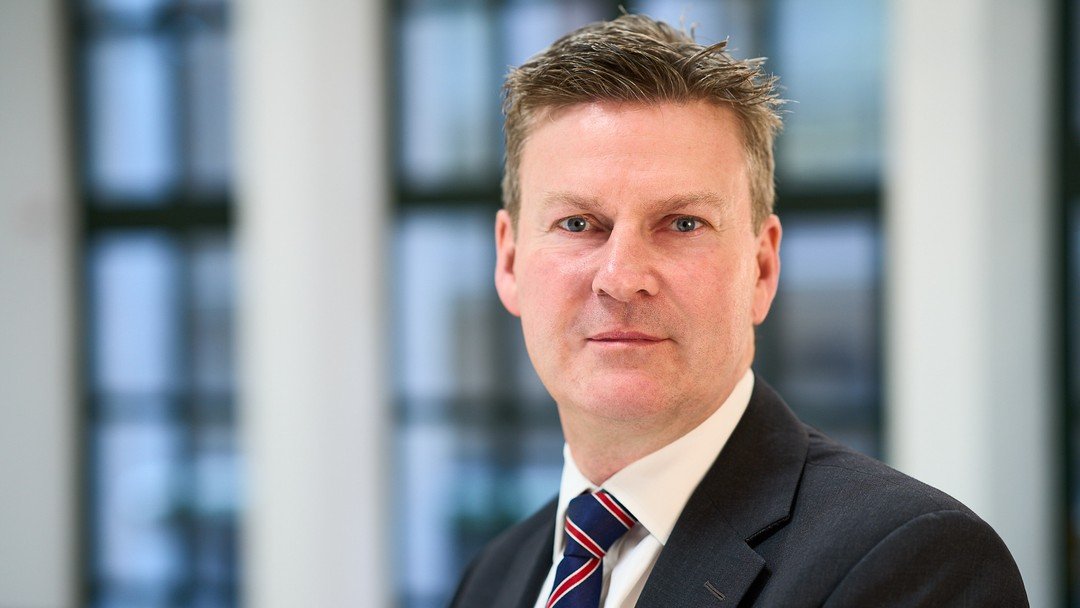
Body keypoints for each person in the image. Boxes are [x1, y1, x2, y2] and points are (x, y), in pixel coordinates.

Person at [450, 14, 1028, 608]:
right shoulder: (492, 579)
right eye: (577, 224)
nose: (621, 279)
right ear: (509, 261)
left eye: (682, 223)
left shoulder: (917, 562)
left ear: (762, 267)